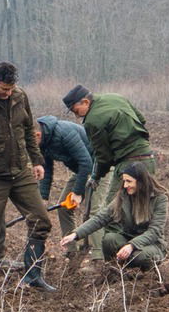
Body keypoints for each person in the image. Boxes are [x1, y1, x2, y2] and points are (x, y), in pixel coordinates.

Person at [0, 62, 55, 291]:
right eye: (4, 89)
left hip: (20, 171)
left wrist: (36, 160)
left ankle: (33, 276)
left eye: (11, 88)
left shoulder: (19, 96)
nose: (8, 93)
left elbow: (28, 130)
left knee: (41, 221)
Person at [57, 160, 169, 270]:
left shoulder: (160, 198)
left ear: (140, 182)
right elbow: (100, 218)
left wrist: (132, 245)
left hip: (151, 244)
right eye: (124, 181)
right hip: (128, 239)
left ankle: (139, 273)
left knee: (138, 257)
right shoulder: (123, 196)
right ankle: (113, 270)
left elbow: (154, 231)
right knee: (109, 239)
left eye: (129, 181)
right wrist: (75, 234)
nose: (125, 185)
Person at [62, 84, 154, 215]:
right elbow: (141, 119)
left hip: (127, 164)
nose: (77, 116)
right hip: (148, 158)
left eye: (76, 111)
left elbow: (103, 157)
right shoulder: (116, 97)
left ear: (86, 102)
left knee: (112, 211)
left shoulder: (92, 120)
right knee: (144, 207)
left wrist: (95, 177)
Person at [37, 112, 94, 242]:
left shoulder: (64, 132)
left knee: (95, 210)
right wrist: (43, 197)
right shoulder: (42, 143)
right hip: (81, 171)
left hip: (100, 167)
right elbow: (46, 170)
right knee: (64, 208)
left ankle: (97, 252)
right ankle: (72, 249)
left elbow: (86, 162)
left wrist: (77, 192)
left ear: (38, 134)